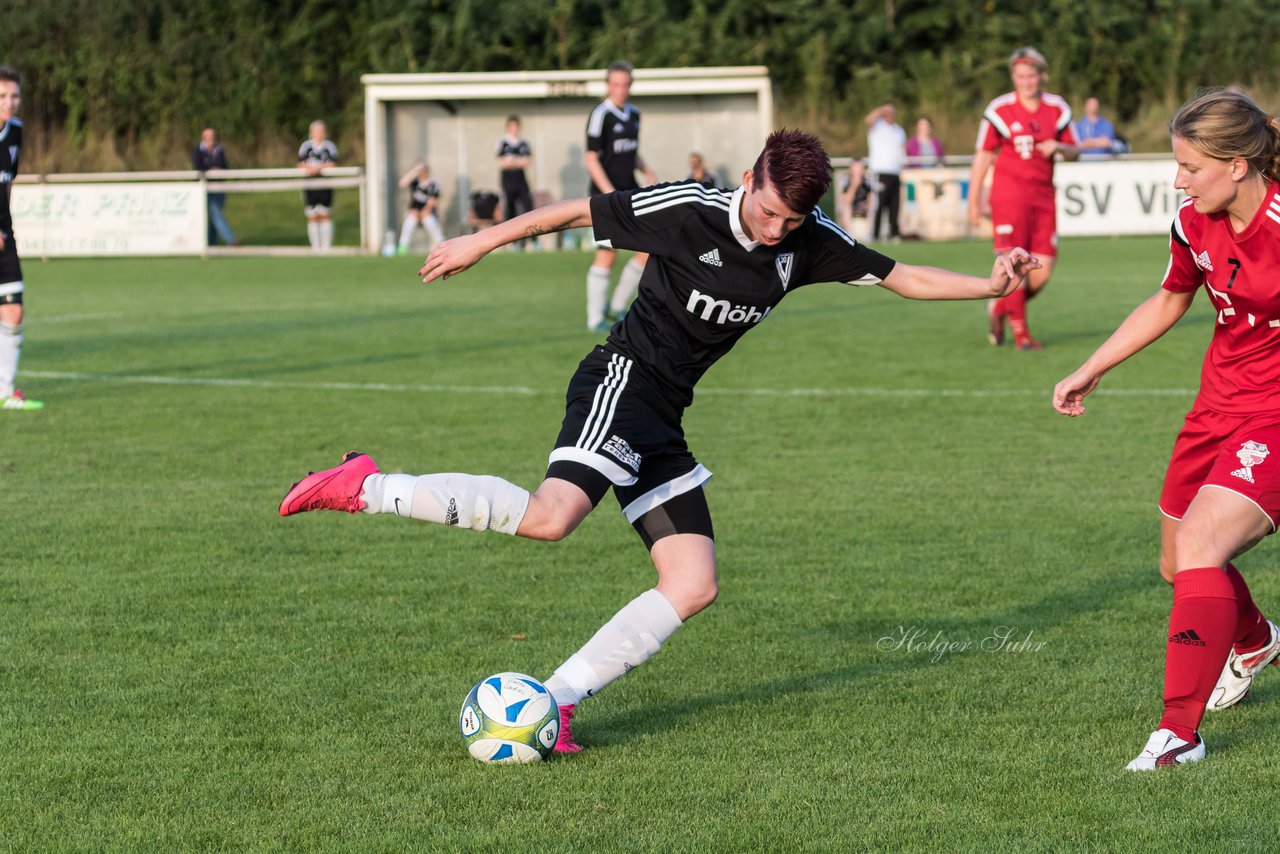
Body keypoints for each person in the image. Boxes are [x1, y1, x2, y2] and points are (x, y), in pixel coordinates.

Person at [279, 129, 1038, 755]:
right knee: (550, 518)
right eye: (769, 212)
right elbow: (568, 213)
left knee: (693, 583)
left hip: (666, 415)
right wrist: (480, 240)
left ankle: (558, 701)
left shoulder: (808, 241)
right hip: (621, 380)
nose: (775, 230)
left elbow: (903, 276)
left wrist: (992, 286)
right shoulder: (690, 211)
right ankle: (365, 485)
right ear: (748, 179)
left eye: (790, 222)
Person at [1053, 89, 1280, 771]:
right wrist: (1094, 365)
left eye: (1190, 166)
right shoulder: (1191, 221)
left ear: (1238, 165)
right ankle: (1257, 638)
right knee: (1178, 562)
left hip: (1274, 414)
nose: (1178, 180)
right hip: (1215, 406)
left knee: (1204, 544)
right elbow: (1171, 297)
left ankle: (1178, 733)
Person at [969, 47, 1079, 350]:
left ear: (1042, 75)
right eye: (1020, 76)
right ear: (1013, 77)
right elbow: (983, 156)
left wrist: (1058, 146)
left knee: (1042, 269)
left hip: (1044, 197)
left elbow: (1074, 152)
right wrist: (973, 199)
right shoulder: (999, 110)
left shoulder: (1057, 108)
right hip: (1009, 195)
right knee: (1014, 262)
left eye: (1031, 75)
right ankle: (1022, 334)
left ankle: (1000, 306)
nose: (1027, 82)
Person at [584, 60, 656, 332]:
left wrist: (647, 171)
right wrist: (609, 194)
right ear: (608, 85)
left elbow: (630, 152)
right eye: (615, 84)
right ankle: (594, 318)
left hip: (631, 193)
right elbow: (591, 158)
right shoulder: (600, 114)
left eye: (625, 84)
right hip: (606, 196)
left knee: (649, 249)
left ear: (631, 85)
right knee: (607, 254)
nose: (620, 89)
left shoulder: (635, 114)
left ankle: (617, 306)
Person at [0, 65, 40, 411]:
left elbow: (7, 182)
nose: (9, 102)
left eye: (14, 96)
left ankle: (5, 391)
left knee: (13, 310)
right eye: (1, 96)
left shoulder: (16, 132)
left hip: (3, 233)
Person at [864, 103, 906, 242]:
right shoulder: (877, 126)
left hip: (895, 172)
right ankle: (875, 234)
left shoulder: (899, 130)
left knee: (894, 205)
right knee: (879, 204)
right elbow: (868, 120)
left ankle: (894, 233)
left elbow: (902, 149)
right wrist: (881, 109)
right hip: (880, 172)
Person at [191, 126, 239, 247]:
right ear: (204, 138)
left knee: (214, 217)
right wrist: (211, 169)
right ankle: (231, 239)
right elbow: (198, 167)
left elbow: (224, 165)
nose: (212, 139)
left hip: (220, 186)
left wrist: (217, 169)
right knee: (215, 213)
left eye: (213, 136)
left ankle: (212, 244)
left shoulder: (219, 150)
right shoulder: (198, 151)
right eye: (210, 137)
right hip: (206, 188)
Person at [298, 120, 338, 251]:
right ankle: (315, 247)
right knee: (312, 214)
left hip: (325, 184)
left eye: (321, 131)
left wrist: (319, 168)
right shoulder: (306, 146)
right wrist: (311, 170)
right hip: (310, 184)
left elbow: (333, 163)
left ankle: (326, 247)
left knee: (325, 213)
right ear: (311, 133)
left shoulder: (329, 146)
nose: (319, 134)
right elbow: (300, 163)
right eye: (316, 131)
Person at [497, 116, 533, 248]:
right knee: (510, 210)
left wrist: (512, 161)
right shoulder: (502, 142)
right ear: (508, 127)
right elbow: (501, 163)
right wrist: (517, 161)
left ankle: (532, 240)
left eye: (516, 126)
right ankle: (512, 243)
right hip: (507, 180)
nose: (514, 129)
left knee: (528, 207)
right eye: (512, 126)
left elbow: (527, 162)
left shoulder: (524, 142)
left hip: (521, 180)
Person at [397, 162, 445, 254]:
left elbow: (433, 202)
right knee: (412, 215)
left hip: (429, 212)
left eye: (424, 171)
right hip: (414, 212)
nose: (422, 173)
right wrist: (413, 171)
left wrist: (424, 212)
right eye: (420, 171)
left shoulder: (433, 183)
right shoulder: (415, 181)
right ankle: (403, 246)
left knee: (425, 214)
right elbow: (402, 183)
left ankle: (440, 242)